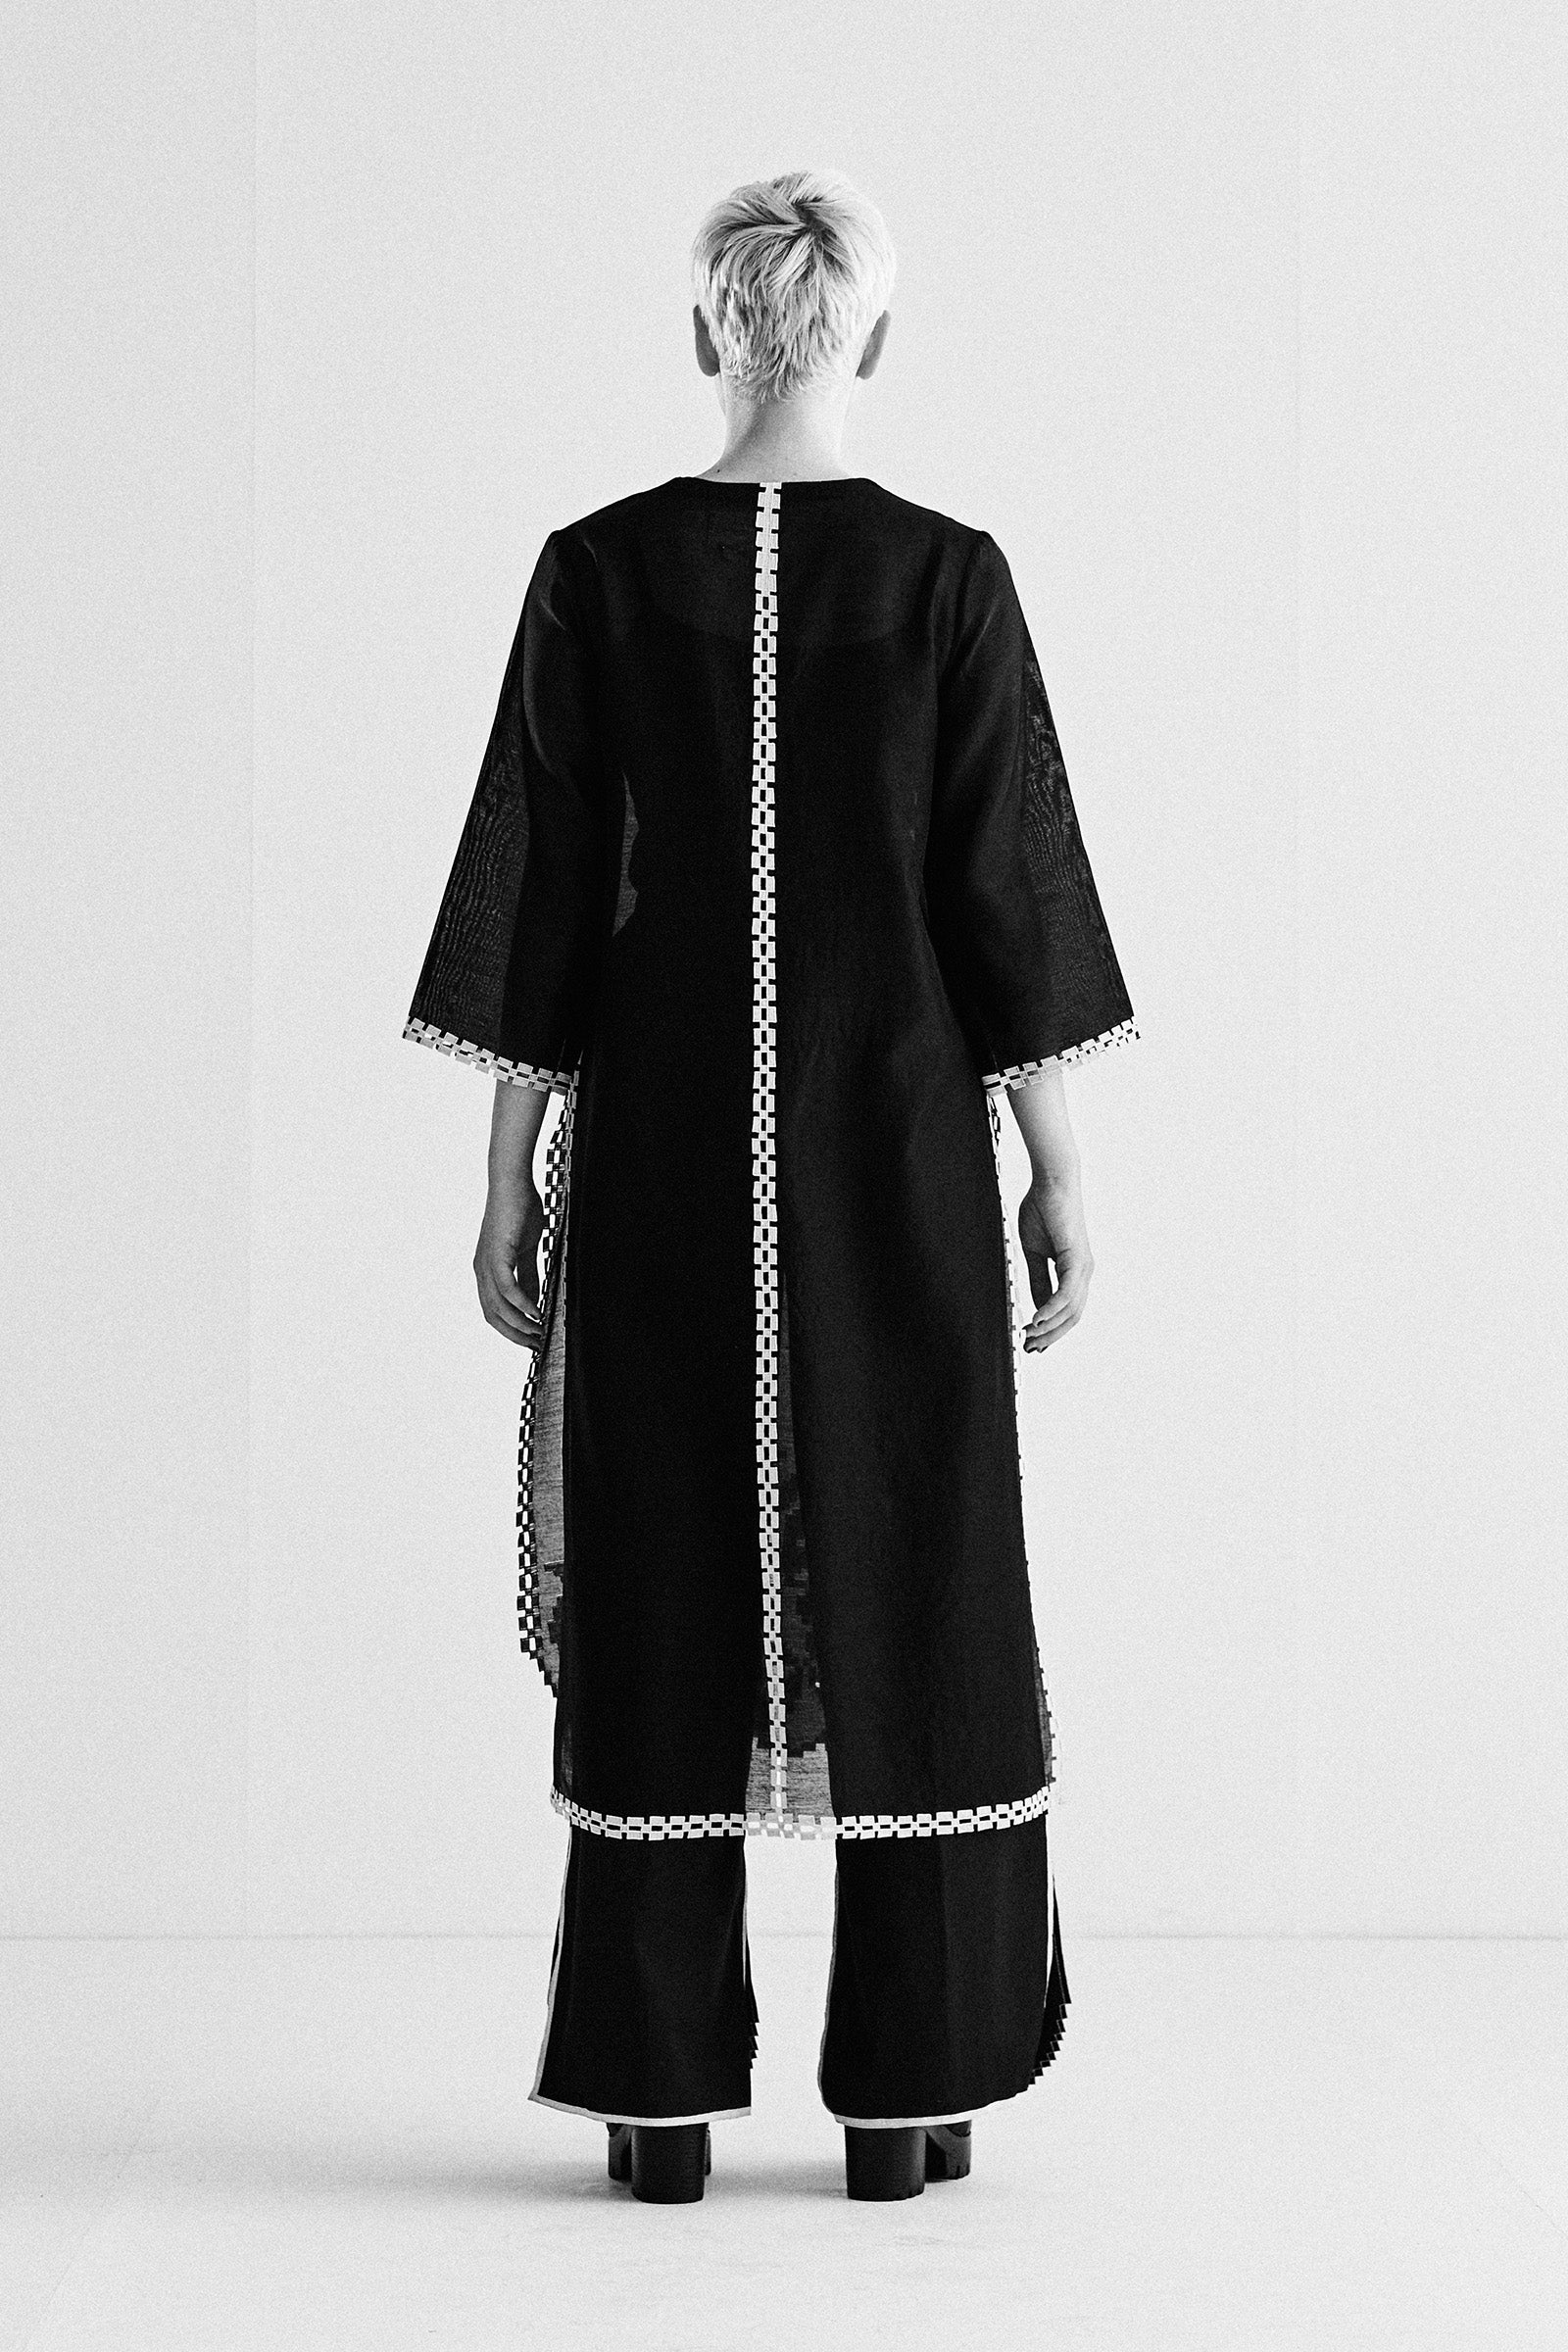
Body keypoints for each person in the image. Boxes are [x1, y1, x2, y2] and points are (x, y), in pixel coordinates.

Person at [403, 168, 1139, 2205]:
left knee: (659, 1558)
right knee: (918, 1546)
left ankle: (654, 2102)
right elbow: (1002, 894)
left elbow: (547, 895)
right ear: (873, 336)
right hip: (893, 1139)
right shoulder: (944, 578)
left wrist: (505, 1171)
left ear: (702, 333)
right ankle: (911, 2097)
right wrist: (1057, 1167)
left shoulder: (598, 570)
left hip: (656, 1145)